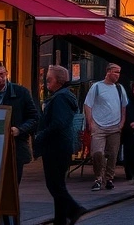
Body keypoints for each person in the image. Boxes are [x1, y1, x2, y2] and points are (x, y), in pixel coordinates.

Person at [33, 66, 86, 225]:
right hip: (60, 146)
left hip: (56, 147)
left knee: (54, 185)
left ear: (59, 81)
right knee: (58, 185)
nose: (46, 81)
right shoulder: (62, 96)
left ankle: (75, 209)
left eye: (49, 79)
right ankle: (60, 219)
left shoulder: (60, 98)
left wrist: (40, 135)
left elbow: (58, 123)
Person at [82, 64, 127, 191]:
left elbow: (124, 106)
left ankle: (109, 178)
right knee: (97, 153)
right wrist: (91, 122)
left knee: (113, 154)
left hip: (115, 125)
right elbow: (87, 105)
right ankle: (98, 178)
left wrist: (122, 123)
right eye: (115, 72)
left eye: (119, 72)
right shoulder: (96, 87)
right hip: (99, 126)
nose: (118, 75)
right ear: (108, 72)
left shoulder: (119, 88)